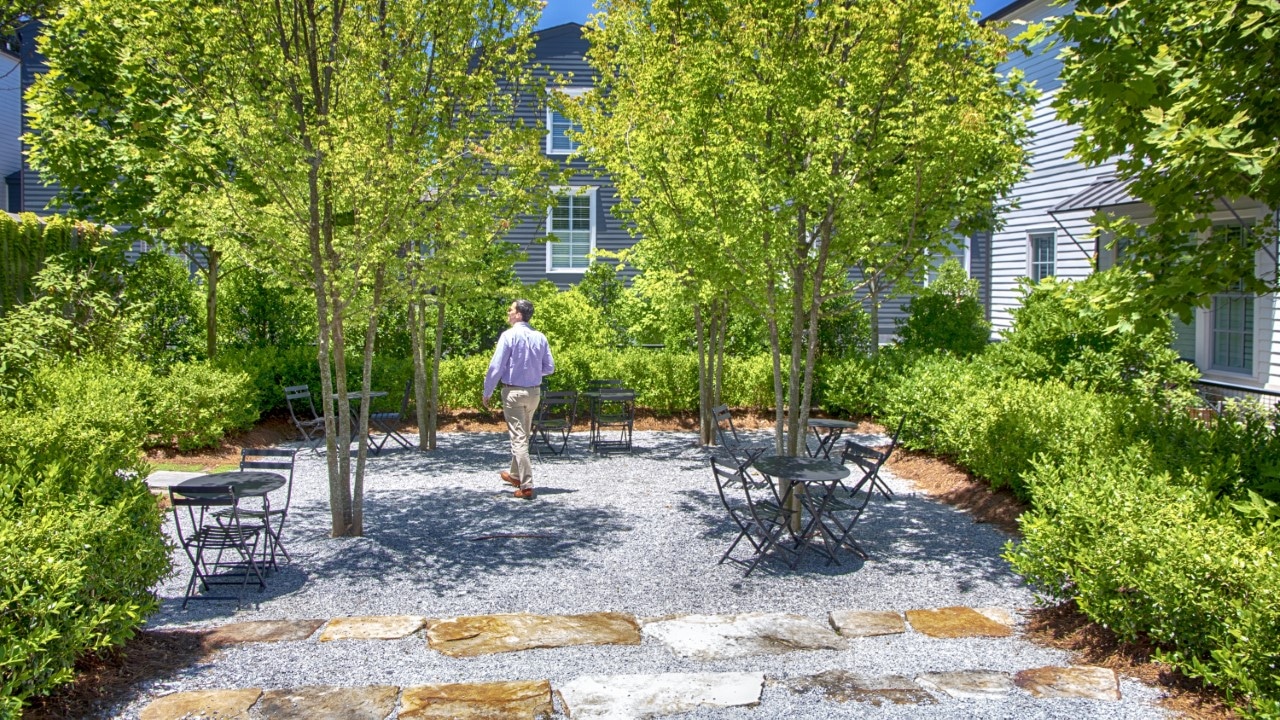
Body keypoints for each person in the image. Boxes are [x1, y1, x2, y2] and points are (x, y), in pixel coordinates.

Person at [483, 299, 555, 499]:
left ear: (519, 314)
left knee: (518, 438)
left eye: (511, 310)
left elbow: (496, 367)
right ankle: (515, 474)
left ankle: (526, 485)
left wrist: (487, 391)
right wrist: (532, 371)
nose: (508, 312)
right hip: (534, 393)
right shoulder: (540, 337)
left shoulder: (508, 336)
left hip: (513, 392)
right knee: (523, 433)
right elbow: (549, 367)